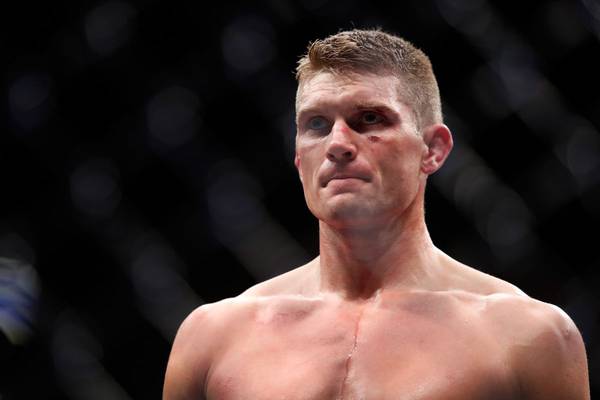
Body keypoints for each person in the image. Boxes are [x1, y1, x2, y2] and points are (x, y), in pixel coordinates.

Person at [163, 29, 590, 399]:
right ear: (297, 156)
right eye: (316, 124)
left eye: (369, 119)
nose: (337, 144)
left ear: (433, 149)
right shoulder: (213, 337)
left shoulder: (525, 337)